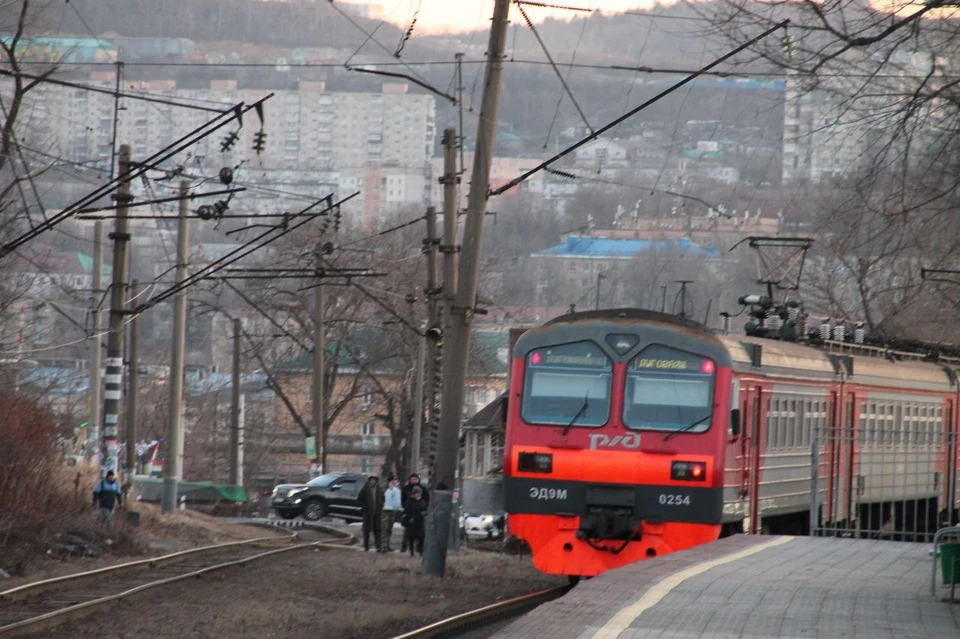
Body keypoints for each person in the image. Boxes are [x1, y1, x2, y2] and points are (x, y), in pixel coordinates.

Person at [400, 473, 429, 552]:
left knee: (420, 534)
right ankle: (404, 546)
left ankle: (419, 548)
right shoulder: (406, 488)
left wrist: (424, 509)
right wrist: (404, 507)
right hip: (409, 513)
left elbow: (427, 500)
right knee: (407, 532)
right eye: (412, 479)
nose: (414, 480)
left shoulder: (423, 489)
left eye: (415, 479)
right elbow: (402, 499)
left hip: (420, 514)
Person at [358, 475, 384, 552]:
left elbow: (383, 498)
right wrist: (365, 507)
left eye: (374, 480)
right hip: (368, 513)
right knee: (366, 530)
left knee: (377, 530)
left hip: (377, 513)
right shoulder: (365, 488)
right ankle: (366, 546)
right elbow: (360, 499)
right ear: (369, 481)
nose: (373, 481)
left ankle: (378, 546)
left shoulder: (379, 488)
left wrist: (381, 505)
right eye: (371, 480)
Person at [381, 476, 402, 552]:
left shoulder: (397, 489)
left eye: (395, 480)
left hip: (393, 512)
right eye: (393, 480)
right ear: (389, 481)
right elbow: (381, 499)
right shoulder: (384, 488)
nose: (394, 482)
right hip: (385, 512)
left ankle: (388, 545)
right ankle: (383, 545)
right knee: (384, 528)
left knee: (389, 529)